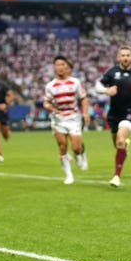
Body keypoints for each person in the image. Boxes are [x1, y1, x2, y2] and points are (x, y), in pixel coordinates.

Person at [96, 45, 131, 187]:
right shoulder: (112, 72)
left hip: (130, 112)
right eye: (123, 55)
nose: (125, 57)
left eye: (128, 55)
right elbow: (98, 86)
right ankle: (124, 146)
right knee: (118, 144)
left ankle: (116, 176)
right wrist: (106, 90)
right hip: (114, 114)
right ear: (118, 57)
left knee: (120, 140)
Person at [43, 55, 89, 185]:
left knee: (76, 148)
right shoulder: (50, 86)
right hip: (58, 119)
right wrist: (50, 108)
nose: (60, 67)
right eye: (57, 65)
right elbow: (46, 102)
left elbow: (83, 98)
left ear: (66, 67)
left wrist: (85, 113)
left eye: (62, 64)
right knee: (62, 146)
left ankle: (81, 152)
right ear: (54, 68)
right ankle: (69, 175)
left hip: (73, 117)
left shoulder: (75, 82)